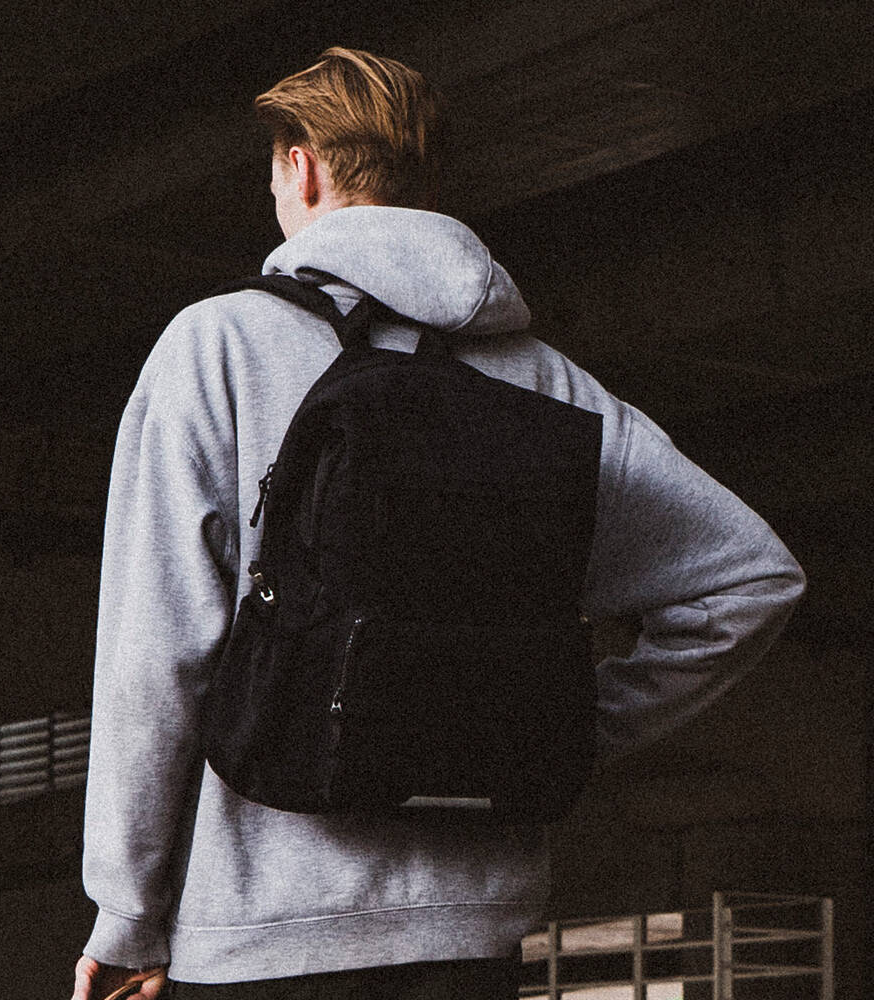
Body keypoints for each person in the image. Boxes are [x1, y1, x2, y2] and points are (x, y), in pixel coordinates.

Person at [70, 47, 805, 1000]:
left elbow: (157, 652)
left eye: (275, 172)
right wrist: (551, 726)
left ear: (302, 166)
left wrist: (129, 914)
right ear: (426, 183)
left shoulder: (219, 346)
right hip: (473, 937)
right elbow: (750, 577)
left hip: (262, 933)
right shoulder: (543, 379)